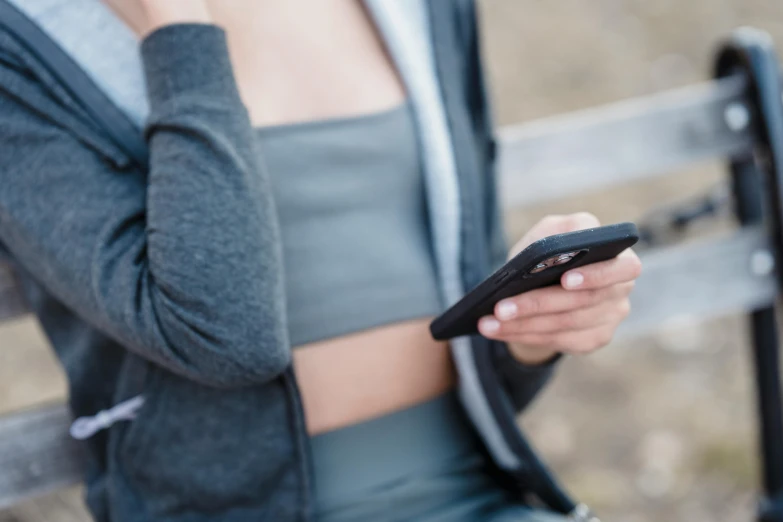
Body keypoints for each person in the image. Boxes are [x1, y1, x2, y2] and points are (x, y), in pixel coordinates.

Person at [0, 0, 641, 520]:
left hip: (480, 499)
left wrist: (533, 331)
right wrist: (181, 35)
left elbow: (481, 364)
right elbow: (227, 339)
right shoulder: (23, 48)